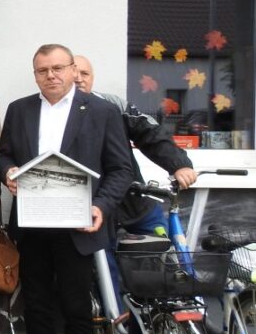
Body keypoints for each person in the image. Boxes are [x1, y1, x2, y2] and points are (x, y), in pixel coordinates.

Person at [0, 44, 132, 334]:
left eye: (58, 68)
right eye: (43, 71)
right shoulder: (19, 109)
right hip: (32, 225)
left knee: (77, 310)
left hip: (78, 226)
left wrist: (100, 206)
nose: (51, 75)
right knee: (37, 308)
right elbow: (5, 154)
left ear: (73, 70)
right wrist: (7, 172)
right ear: (35, 76)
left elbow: (121, 168)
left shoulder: (101, 111)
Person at [73, 55, 198, 233]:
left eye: (85, 73)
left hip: (134, 200)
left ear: (92, 78)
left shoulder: (113, 105)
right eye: (74, 72)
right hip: (92, 206)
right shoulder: (54, 113)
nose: (79, 78)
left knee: (159, 252)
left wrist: (179, 165)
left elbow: (150, 133)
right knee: (103, 260)